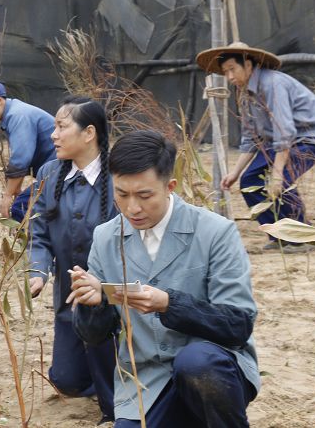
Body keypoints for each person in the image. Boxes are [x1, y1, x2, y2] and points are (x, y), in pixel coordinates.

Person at [70, 130, 260, 427]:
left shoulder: (215, 232)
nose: (132, 208)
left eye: (145, 195)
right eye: (121, 194)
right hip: (147, 381)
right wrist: (93, 304)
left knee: (196, 362)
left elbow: (237, 323)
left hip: (213, 370)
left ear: (170, 186)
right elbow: (93, 336)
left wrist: (169, 304)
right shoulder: (106, 237)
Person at [27, 96, 116, 424]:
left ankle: (114, 403)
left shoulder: (118, 177)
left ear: (89, 133)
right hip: (68, 300)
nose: (53, 134)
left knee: (105, 345)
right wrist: (37, 270)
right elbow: (38, 231)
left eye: (62, 127)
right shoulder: (50, 173)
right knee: (65, 380)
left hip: (113, 301)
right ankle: (102, 371)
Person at [196, 41, 315, 251]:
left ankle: (304, 237)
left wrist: (276, 172)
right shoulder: (244, 93)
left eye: (232, 69)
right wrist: (235, 173)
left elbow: (285, 131)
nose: (229, 77)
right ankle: (279, 235)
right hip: (277, 142)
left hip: (309, 137)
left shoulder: (273, 84)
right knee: (248, 182)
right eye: (225, 72)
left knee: (283, 182)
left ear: (248, 65)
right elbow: (251, 137)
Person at [0, 81, 56, 222]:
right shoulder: (15, 112)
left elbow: (21, 159)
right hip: (54, 172)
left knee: (20, 208)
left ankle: (34, 243)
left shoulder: (18, 115)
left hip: (62, 172)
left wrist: (8, 195)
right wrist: (15, 189)